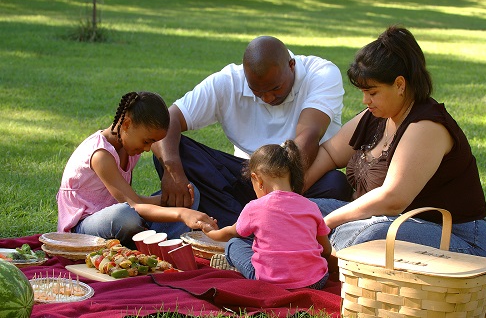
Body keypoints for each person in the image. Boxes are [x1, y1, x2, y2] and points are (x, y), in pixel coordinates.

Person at [305, 25, 486, 258]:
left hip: (455, 238)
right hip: (389, 221)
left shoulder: (426, 127)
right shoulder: (375, 116)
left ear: (400, 85)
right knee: (300, 212)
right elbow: (330, 154)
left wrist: (328, 223)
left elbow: (393, 199)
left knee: (370, 235)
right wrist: (289, 196)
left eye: (372, 92)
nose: (365, 100)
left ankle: (310, 256)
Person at [152, 35, 352, 229]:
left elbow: (308, 137)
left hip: (297, 179)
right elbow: (169, 120)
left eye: (275, 88)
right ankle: (245, 224)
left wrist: (278, 193)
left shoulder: (321, 73)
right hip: (248, 176)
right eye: (258, 91)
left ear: (292, 66)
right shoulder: (229, 81)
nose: (267, 97)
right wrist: (173, 171)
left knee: (335, 184)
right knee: (175, 149)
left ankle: (244, 223)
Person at [57, 91, 217, 249]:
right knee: (125, 216)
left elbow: (133, 201)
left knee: (187, 194)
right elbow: (132, 205)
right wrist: (181, 213)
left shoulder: (129, 148)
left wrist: (171, 197)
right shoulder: (101, 155)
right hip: (82, 228)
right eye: (146, 141)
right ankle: (151, 244)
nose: (148, 149)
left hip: (122, 212)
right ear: (126, 124)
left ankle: (162, 245)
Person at [201, 140, 332, 289]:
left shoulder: (254, 207)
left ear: (258, 179)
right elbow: (326, 250)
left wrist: (211, 232)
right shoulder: (311, 206)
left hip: (270, 283)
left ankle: (239, 266)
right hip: (316, 281)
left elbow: (229, 233)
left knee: (234, 244)